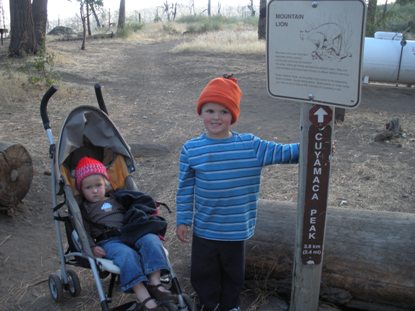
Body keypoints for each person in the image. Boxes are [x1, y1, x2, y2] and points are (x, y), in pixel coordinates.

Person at [175, 74, 299, 311]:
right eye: (210, 110)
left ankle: (230, 305)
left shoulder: (250, 146)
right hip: (205, 228)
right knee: (203, 273)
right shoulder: (192, 149)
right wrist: (182, 219)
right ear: (201, 113)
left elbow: (285, 152)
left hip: (236, 229)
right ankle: (208, 305)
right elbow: (185, 188)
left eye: (223, 111)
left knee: (233, 274)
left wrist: (316, 146)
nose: (216, 117)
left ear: (233, 115)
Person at [74, 156, 176, 311]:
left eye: (98, 185)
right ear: (81, 190)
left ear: (106, 184)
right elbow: (84, 231)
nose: (95, 190)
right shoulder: (84, 209)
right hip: (109, 241)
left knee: (151, 239)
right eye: (88, 188)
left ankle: (155, 283)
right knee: (127, 255)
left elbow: (136, 208)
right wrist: (92, 246)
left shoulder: (118, 198)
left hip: (130, 233)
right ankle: (145, 299)